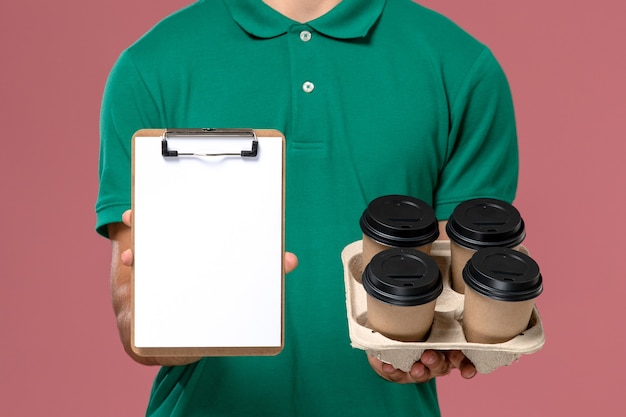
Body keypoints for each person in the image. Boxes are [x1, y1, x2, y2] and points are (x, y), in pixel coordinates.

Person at [96, 0, 519, 416]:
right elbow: (132, 320)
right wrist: (187, 310)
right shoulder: (151, 66)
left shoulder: (462, 67)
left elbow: (457, 293)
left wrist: (415, 348)